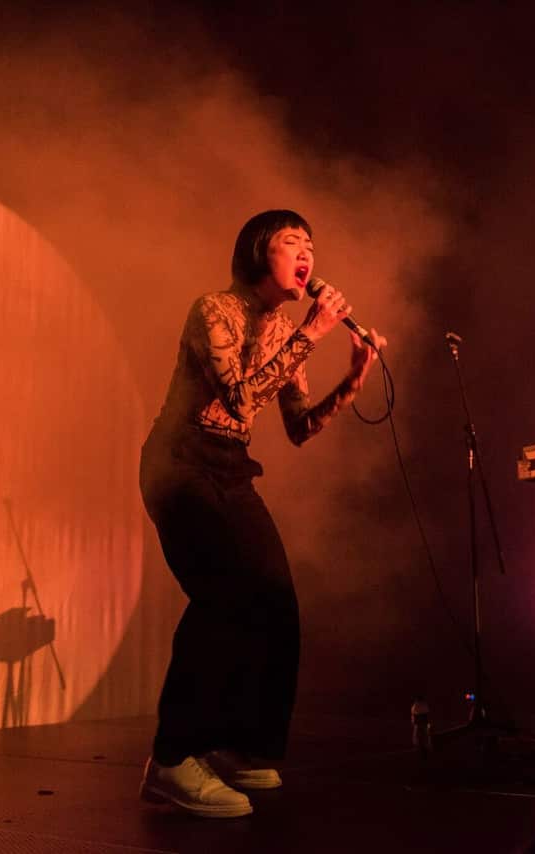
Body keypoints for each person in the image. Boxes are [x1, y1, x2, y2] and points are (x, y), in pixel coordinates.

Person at [138, 210, 387, 818]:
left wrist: (354, 375)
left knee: (275, 600)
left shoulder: (283, 329)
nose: (307, 255)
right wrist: (316, 332)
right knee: (223, 596)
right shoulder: (212, 310)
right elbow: (241, 397)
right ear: (258, 253)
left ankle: (243, 746)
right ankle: (172, 758)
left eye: (311, 246)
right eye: (291, 243)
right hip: (181, 461)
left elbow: (299, 427)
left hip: (229, 465)